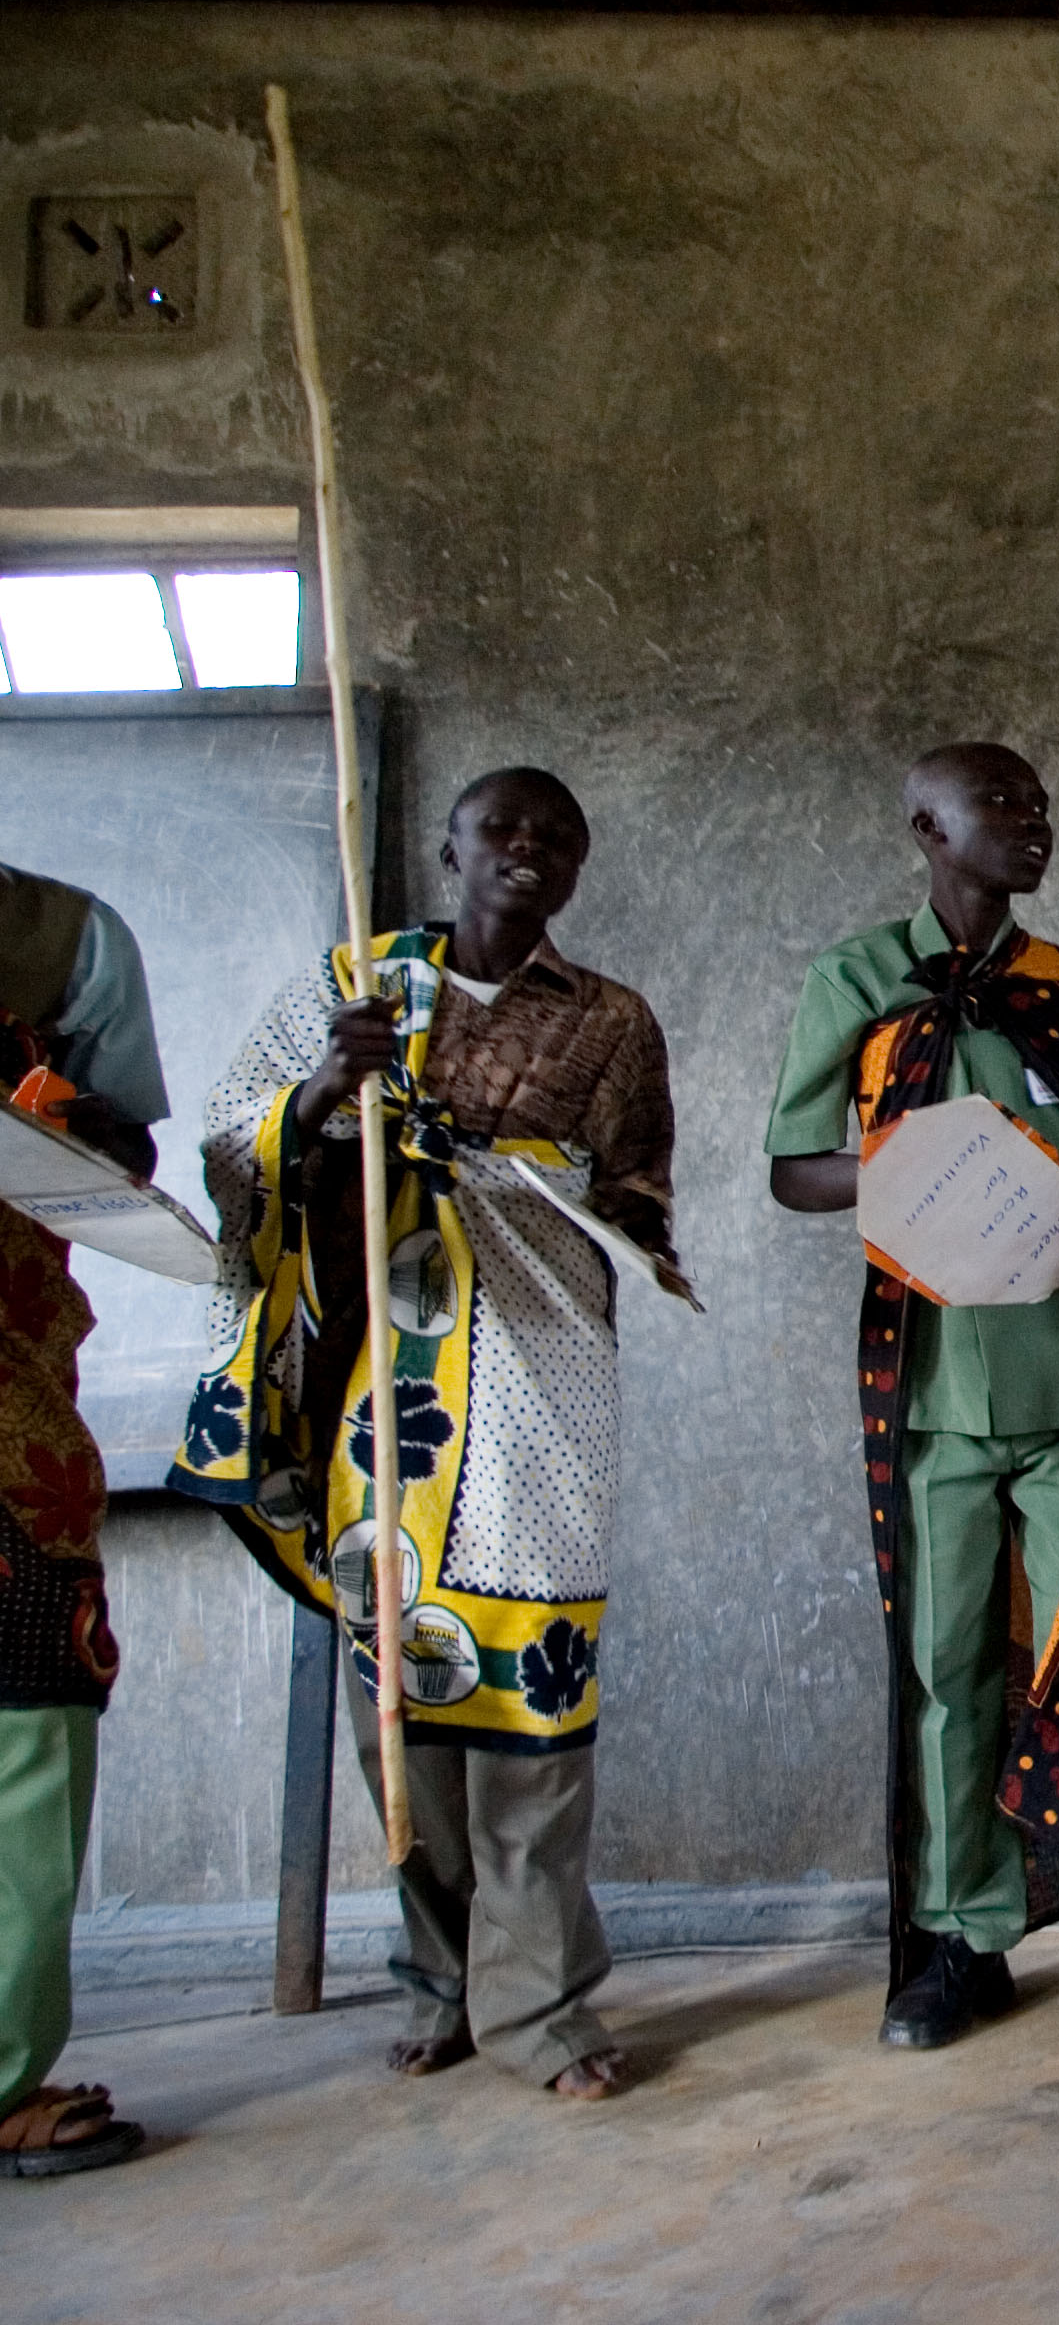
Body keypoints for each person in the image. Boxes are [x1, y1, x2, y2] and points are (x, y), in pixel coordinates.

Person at [177, 769, 676, 2103]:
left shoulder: (613, 1020)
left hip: (541, 1379)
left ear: (579, 868)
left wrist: (530, 1183)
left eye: (557, 836)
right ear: (451, 849)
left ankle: (543, 2010)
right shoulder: (354, 984)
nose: (528, 849)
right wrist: (323, 1092)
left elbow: (643, 1194)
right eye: (501, 827)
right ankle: (441, 1983)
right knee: (402, 1702)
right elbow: (229, 1153)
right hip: (386, 1387)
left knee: (533, 1702)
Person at [767, 743, 1059, 2048]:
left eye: (1041, 806)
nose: (1033, 823)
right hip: (934, 1392)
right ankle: (963, 1941)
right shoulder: (858, 982)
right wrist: (921, 1167)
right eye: (1002, 804)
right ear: (928, 825)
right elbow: (795, 1168)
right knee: (946, 1671)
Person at [0, 863, 164, 2174]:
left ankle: (5, 2071)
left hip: (11, 1411)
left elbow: (127, 1158)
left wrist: (72, 1127)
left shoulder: (63, 938)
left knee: (29, 1717)